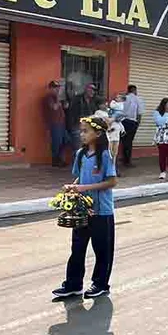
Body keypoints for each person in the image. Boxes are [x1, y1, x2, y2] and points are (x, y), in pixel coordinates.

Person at [52, 116, 118, 299]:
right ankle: (73, 284)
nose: (81, 134)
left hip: (101, 211)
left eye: (85, 131)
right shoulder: (81, 154)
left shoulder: (105, 154)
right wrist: (73, 188)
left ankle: (101, 284)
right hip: (82, 210)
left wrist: (84, 188)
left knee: (102, 249)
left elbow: (112, 181)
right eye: (81, 131)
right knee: (77, 248)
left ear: (98, 133)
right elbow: (80, 178)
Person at [68, 83, 99, 154]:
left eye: (94, 90)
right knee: (78, 149)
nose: (93, 92)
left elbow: (94, 113)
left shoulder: (92, 101)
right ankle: (77, 164)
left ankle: (82, 164)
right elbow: (72, 113)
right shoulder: (77, 99)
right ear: (86, 89)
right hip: (77, 127)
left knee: (86, 149)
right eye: (91, 89)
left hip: (87, 128)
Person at [43, 80, 68, 167]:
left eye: (58, 88)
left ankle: (59, 158)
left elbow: (65, 107)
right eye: (55, 88)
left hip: (61, 122)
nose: (57, 90)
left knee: (66, 140)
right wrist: (58, 99)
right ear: (50, 88)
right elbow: (54, 107)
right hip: (54, 123)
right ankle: (56, 160)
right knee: (57, 142)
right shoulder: (49, 97)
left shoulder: (58, 97)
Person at [121, 84, 144, 167]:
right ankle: (127, 161)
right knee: (129, 142)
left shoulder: (124, 98)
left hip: (122, 121)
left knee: (123, 141)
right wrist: (138, 123)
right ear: (134, 90)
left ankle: (124, 159)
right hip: (132, 122)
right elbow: (140, 112)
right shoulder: (138, 99)